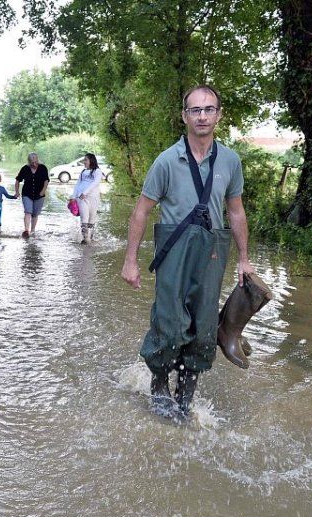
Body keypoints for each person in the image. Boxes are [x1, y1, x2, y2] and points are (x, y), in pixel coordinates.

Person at [120, 85, 255, 421]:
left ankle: (186, 393)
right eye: (195, 110)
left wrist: (243, 258)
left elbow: (235, 211)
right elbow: (141, 211)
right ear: (184, 116)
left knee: (204, 324)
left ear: (219, 115)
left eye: (209, 109)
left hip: (212, 251)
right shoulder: (167, 161)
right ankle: (159, 385)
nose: (202, 116)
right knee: (170, 322)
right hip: (173, 250)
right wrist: (131, 260)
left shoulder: (230, 161)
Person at [69, 153, 104, 244]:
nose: (84, 162)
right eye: (84, 160)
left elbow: (95, 183)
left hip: (93, 198)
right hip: (81, 198)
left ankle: (90, 239)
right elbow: (77, 184)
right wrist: (73, 196)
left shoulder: (97, 171)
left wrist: (86, 192)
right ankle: (86, 239)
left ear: (91, 161)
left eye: (86, 160)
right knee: (84, 218)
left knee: (91, 220)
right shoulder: (83, 172)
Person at [14, 153, 49, 238]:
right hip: (27, 194)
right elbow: (18, 180)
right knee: (28, 211)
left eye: (36, 162)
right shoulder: (25, 169)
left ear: (38, 160)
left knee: (35, 214)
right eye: (32, 162)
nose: (34, 164)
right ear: (29, 162)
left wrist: (43, 191)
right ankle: (26, 231)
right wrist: (17, 192)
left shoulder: (43, 168)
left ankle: (32, 231)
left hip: (39, 194)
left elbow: (46, 180)